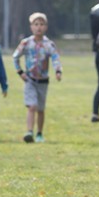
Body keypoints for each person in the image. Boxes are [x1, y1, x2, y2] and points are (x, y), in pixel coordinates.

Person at [13, 12, 62, 143]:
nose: (38, 27)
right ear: (31, 27)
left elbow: (55, 58)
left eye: (41, 24)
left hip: (43, 81)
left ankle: (39, 133)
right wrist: (20, 72)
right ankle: (29, 131)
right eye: (36, 24)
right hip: (29, 79)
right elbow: (15, 57)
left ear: (45, 27)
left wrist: (58, 71)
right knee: (32, 106)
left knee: (40, 108)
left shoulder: (49, 44)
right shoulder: (26, 43)